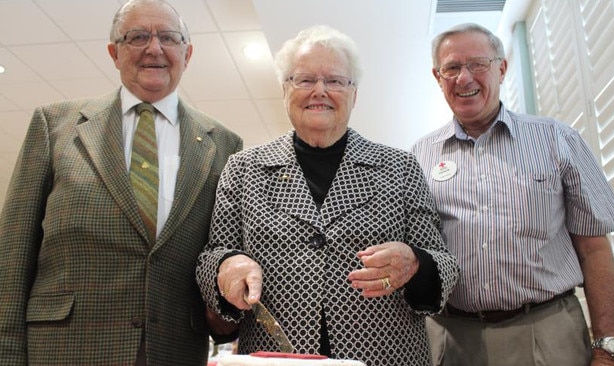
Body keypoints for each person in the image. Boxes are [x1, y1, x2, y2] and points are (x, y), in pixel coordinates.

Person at [195, 25, 459, 366]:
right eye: (305, 80)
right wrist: (226, 266)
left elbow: (444, 263)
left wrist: (415, 263)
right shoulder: (243, 168)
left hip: (386, 355)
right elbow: (211, 254)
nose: (319, 91)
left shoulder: (399, 166)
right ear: (285, 89)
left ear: (354, 93)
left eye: (335, 81)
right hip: (277, 356)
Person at [0, 0, 242, 364]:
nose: (154, 48)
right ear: (114, 52)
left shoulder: (224, 144)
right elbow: (13, 254)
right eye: (137, 37)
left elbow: (221, 250)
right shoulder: (55, 126)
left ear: (187, 53)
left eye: (169, 38)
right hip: (63, 350)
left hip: (173, 349)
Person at [411, 23, 614, 366]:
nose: (464, 78)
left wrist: (608, 348)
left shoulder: (557, 139)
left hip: (547, 331)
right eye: (452, 67)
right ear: (438, 77)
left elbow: (595, 251)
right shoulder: (417, 157)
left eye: (478, 64)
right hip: (451, 338)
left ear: (502, 68)